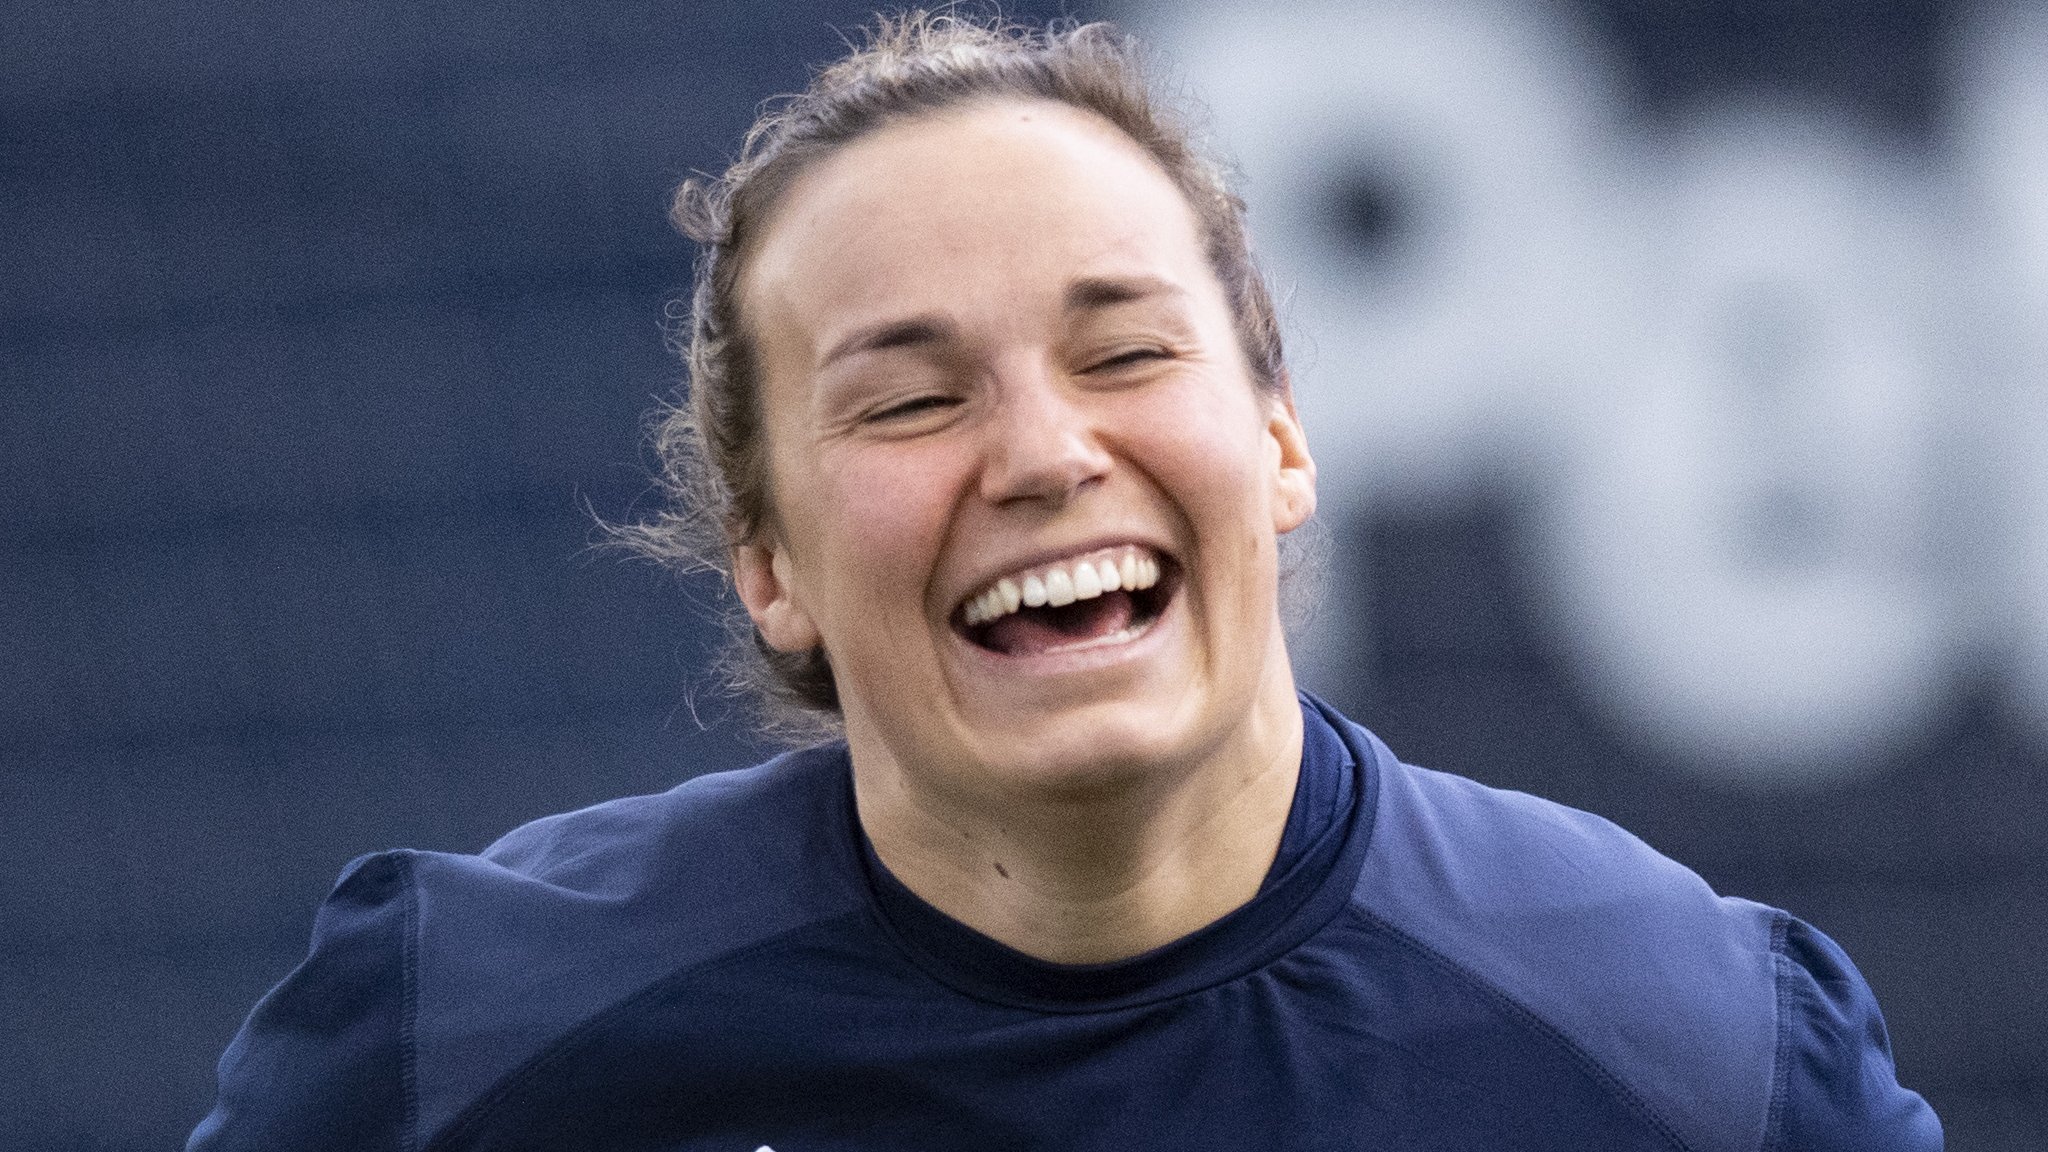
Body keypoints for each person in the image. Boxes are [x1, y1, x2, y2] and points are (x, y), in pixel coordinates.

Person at [188, 13, 1941, 1151]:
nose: (1040, 453)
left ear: (1281, 440)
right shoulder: (463, 1039)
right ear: (770, 565)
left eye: (1125, 353)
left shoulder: (1697, 1054)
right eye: (908, 400)